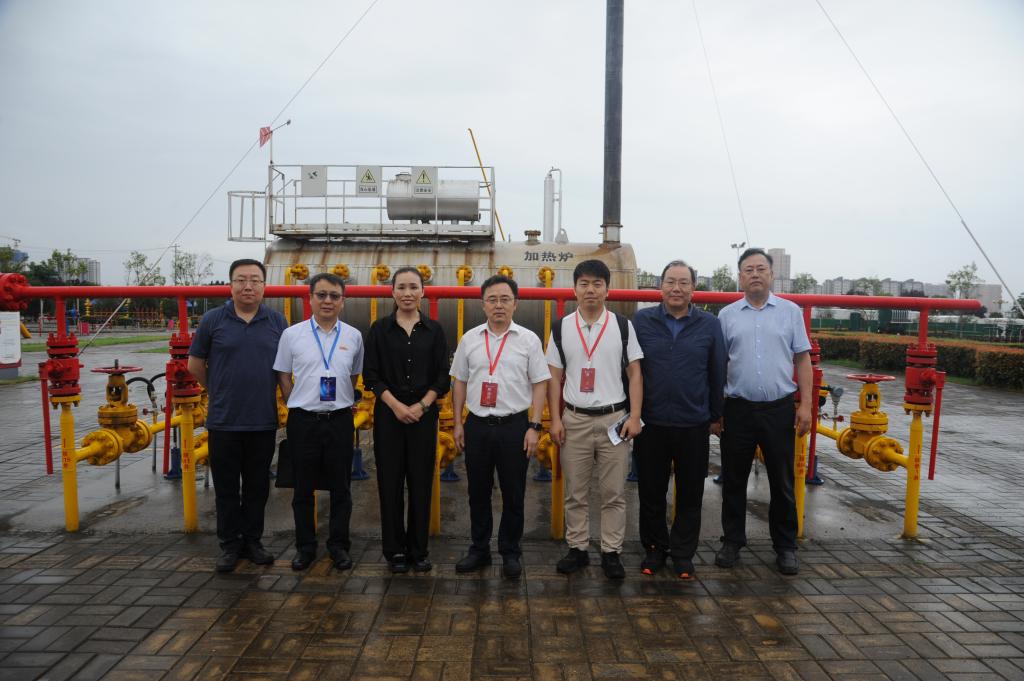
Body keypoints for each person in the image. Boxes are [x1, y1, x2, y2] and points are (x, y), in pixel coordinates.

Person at [715, 247, 813, 575]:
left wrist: (806, 405)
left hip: (779, 409)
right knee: (733, 480)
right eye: (748, 269)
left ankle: (785, 546)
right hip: (737, 410)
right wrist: (717, 410)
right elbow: (719, 365)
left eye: (761, 268)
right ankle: (732, 541)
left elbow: (802, 359)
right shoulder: (727, 315)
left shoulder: (790, 312)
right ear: (740, 277)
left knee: (782, 481)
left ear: (771, 274)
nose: (755, 274)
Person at [187, 258, 287, 573]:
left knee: (258, 486)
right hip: (224, 420)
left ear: (264, 286)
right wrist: (217, 389)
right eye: (241, 280)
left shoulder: (277, 321)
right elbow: (195, 364)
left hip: (262, 420)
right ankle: (230, 545)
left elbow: (285, 369)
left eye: (255, 280)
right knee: (227, 488)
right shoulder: (213, 320)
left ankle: (253, 542)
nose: (248, 286)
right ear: (230, 285)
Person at [546, 259, 643, 579]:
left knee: (613, 492)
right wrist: (555, 419)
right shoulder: (561, 327)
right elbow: (553, 377)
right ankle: (577, 548)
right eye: (584, 283)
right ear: (574, 289)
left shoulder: (622, 326)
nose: (590, 290)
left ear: (607, 290)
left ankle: (611, 551)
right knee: (575, 491)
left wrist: (635, 417)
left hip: (614, 419)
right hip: (574, 419)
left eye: (597, 284)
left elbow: (635, 374)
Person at [451, 275, 550, 578]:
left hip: (514, 426)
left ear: (515, 304)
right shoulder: (469, 339)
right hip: (478, 425)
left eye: (505, 299)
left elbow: (540, 383)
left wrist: (534, 425)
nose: (498, 305)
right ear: (483, 304)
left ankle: (510, 551)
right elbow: (460, 382)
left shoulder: (529, 340)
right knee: (478, 492)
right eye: (492, 300)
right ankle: (479, 549)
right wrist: (458, 423)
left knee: (514, 492)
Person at [632, 260, 726, 579]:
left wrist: (715, 415)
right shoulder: (642, 321)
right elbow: (630, 369)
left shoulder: (709, 325)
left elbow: (717, 372)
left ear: (693, 289)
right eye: (670, 281)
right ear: (661, 286)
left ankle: (683, 553)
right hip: (651, 422)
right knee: (651, 491)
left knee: (690, 493)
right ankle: (655, 549)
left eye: (684, 282)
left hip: (693, 423)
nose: (676, 288)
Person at [274, 273, 363, 572]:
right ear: (310, 298)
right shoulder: (292, 335)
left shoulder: (353, 336)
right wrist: (295, 399)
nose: (327, 301)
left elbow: (353, 375)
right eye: (321, 295)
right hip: (303, 420)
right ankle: (305, 547)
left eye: (334, 296)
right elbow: (283, 373)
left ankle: (339, 546)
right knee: (303, 488)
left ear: (342, 301)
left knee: (341, 488)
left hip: (339, 420)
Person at [362, 267, 450, 573]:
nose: (408, 293)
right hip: (389, 415)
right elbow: (371, 375)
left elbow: (442, 377)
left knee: (421, 482)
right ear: (392, 292)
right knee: (389, 482)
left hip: (423, 417)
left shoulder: (435, 330)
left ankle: (418, 550)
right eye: (401, 287)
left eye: (414, 287)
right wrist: (397, 406)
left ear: (423, 291)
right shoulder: (379, 329)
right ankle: (394, 550)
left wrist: (422, 406)